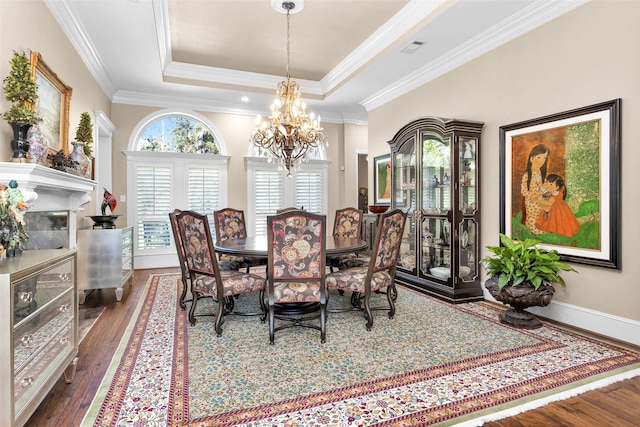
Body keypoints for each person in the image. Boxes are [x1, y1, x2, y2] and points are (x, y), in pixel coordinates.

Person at [520, 144, 549, 234]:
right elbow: (524, 191)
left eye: (544, 158)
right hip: (531, 200)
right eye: (539, 157)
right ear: (531, 158)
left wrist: (545, 191)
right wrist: (533, 196)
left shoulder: (540, 173)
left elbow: (541, 186)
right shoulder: (527, 175)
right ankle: (534, 231)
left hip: (540, 197)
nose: (542, 161)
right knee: (534, 215)